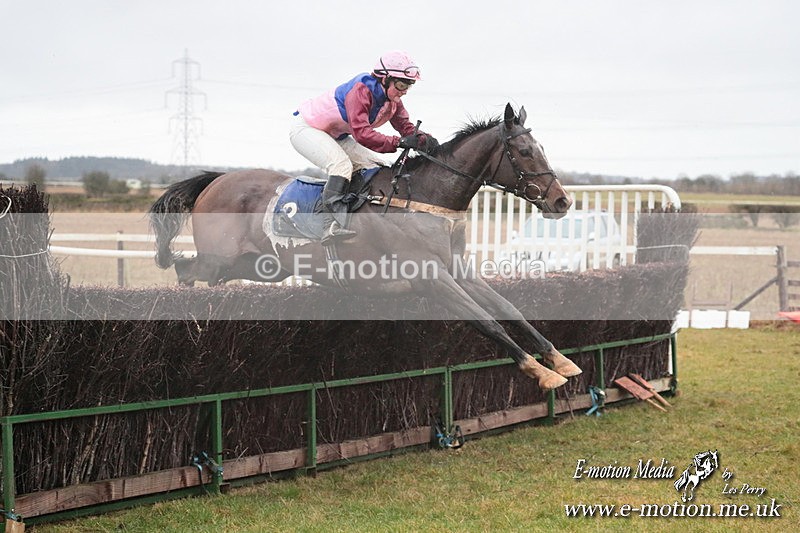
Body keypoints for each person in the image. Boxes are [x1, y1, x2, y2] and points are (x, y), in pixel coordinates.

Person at [289, 51, 439, 245]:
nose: (404, 91)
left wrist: (425, 140)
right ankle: (329, 224)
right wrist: (399, 142)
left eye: (409, 85)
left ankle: (354, 211)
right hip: (307, 129)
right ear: (385, 79)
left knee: (376, 165)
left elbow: (405, 128)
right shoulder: (361, 90)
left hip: (335, 135)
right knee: (341, 165)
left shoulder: (393, 101)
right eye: (402, 85)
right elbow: (362, 134)